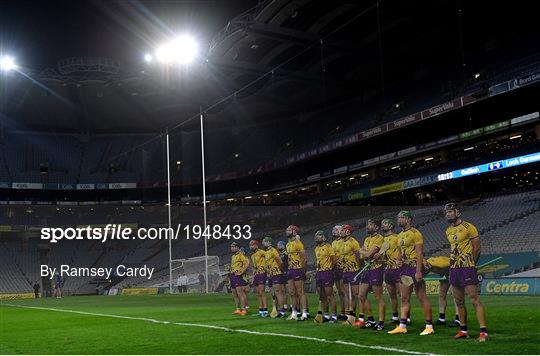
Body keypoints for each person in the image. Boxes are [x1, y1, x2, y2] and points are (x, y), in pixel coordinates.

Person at [444, 203, 488, 342]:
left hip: (467, 267)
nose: (448, 214)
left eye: (451, 211)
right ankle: (463, 330)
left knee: (474, 300)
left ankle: (483, 332)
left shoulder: (469, 227)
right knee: (459, 301)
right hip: (454, 269)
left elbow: (477, 248)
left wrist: (472, 264)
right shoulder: (448, 231)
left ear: (458, 212)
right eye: (447, 212)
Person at [388, 211, 434, 336]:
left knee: (421, 296)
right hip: (405, 269)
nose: (399, 219)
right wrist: (397, 260)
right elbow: (399, 250)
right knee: (404, 297)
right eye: (398, 217)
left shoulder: (415, 233)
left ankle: (429, 326)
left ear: (408, 220)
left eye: (401, 217)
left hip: (414, 268)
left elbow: (419, 253)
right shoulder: (400, 235)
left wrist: (419, 271)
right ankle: (402, 326)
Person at [358, 219, 385, 330]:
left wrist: (362, 251)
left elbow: (367, 254)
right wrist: (365, 254)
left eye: (371, 225)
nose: (368, 226)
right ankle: (371, 320)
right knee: (361, 295)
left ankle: (381, 322)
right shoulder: (367, 239)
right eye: (368, 224)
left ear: (377, 227)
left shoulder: (379, 238)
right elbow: (363, 257)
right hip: (367, 270)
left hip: (376, 269)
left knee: (378, 297)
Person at [374, 218, 401, 325]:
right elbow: (384, 257)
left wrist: (399, 260)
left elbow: (401, 250)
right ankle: (395, 317)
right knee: (392, 295)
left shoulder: (397, 237)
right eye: (382, 224)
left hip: (397, 269)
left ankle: (406, 318)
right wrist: (379, 258)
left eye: (385, 224)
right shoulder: (384, 239)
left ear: (390, 226)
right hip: (388, 269)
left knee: (401, 295)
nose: (383, 225)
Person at [313, 230, 338, 323]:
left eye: (318, 235)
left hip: (327, 272)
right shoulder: (316, 248)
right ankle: (326, 315)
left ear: (324, 237)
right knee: (322, 295)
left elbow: (334, 261)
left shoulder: (328, 247)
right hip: (319, 273)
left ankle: (334, 316)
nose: (316, 237)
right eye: (316, 235)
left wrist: (330, 269)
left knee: (330, 295)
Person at [285, 225, 308, 321]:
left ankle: (304, 313)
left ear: (294, 232)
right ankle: (294, 313)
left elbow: (304, 258)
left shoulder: (298, 243)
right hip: (290, 269)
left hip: (298, 269)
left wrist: (302, 270)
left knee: (300, 292)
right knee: (292, 292)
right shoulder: (288, 244)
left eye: (289, 230)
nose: (287, 231)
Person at [263, 236, 287, 318]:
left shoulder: (273, 250)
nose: (263, 243)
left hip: (276, 273)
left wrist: (279, 271)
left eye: (265, 241)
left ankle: (282, 311)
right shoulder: (266, 252)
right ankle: (276, 310)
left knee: (278, 292)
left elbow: (280, 262)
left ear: (269, 242)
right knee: (274, 293)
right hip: (271, 274)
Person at [331, 225, 347, 319]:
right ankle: (343, 311)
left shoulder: (343, 241)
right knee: (340, 292)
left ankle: (347, 312)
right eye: (333, 229)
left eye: (336, 229)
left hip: (342, 268)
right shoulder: (333, 243)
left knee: (343, 291)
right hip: (335, 269)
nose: (334, 231)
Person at [229, 242, 250, 315]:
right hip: (232, 275)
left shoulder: (241, 255)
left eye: (234, 247)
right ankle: (238, 309)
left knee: (240, 293)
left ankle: (244, 309)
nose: (232, 248)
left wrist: (241, 272)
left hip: (237, 276)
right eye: (231, 247)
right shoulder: (233, 256)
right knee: (234, 294)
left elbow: (247, 264)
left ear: (237, 248)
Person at [249, 239, 268, 317]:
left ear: (256, 245)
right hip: (256, 274)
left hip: (262, 273)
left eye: (253, 245)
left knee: (262, 292)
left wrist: (267, 268)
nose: (251, 246)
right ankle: (261, 310)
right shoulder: (252, 256)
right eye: (250, 245)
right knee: (258, 293)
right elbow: (254, 267)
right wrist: (253, 276)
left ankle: (265, 310)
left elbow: (269, 258)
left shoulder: (261, 252)